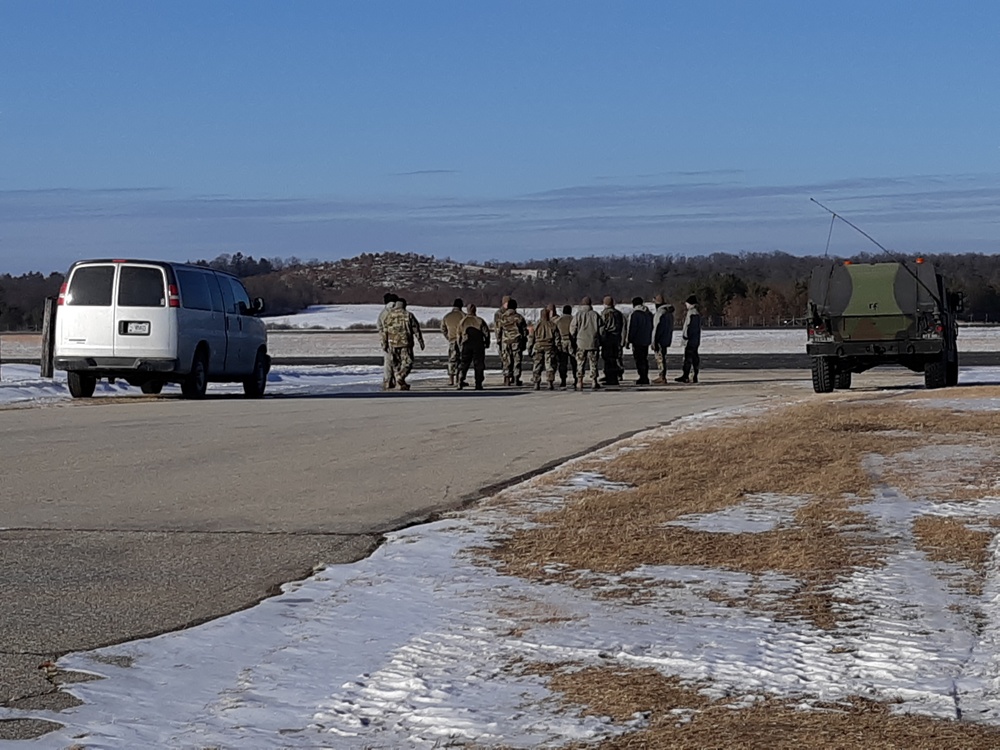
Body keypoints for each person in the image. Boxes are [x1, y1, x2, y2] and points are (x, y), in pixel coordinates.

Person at [380, 299, 421, 390]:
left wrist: (384, 343)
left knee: (396, 364)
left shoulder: (389, 316)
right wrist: (420, 340)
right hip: (405, 343)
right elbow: (416, 328)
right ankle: (400, 376)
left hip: (392, 343)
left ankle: (400, 382)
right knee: (407, 363)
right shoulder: (408, 315)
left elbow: (384, 331)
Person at [570, 296, 605, 390]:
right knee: (593, 363)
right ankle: (594, 381)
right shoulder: (595, 315)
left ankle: (579, 381)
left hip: (581, 342)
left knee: (580, 363)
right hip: (593, 342)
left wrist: (574, 337)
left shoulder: (578, 315)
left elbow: (573, 328)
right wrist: (601, 339)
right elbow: (601, 329)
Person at [456, 303, 490, 389]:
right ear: (475, 310)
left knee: (464, 363)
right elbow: (486, 333)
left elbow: (458, 334)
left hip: (466, 344)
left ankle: (460, 379)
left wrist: (460, 344)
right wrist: (487, 343)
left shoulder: (462, 321)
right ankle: (478, 383)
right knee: (478, 364)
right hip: (478, 345)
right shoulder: (480, 320)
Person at [527, 307, 561, 390]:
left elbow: (531, 338)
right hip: (549, 347)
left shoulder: (536, 325)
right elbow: (557, 338)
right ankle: (550, 382)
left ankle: (536, 383)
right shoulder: (552, 325)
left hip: (538, 347)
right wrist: (558, 348)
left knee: (537, 365)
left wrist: (529, 348)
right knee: (549, 365)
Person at [497, 299, 528, 385]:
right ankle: (516, 378)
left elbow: (498, 330)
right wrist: (524, 340)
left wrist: (499, 340)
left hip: (505, 341)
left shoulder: (502, 317)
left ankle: (507, 378)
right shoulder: (519, 317)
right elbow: (524, 331)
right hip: (516, 341)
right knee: (516, 360)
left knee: (506, 360)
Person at [625, 296, 654, 385]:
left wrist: (628, 340)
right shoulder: (649, 314)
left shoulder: (635, 314)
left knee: (639, 359)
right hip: (646, 340)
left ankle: (642, 376)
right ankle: (645, 375)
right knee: (644, 359)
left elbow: (632, 328)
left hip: (637, 340)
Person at [599, 296, 626, 386]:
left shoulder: (605, 314)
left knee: (608, 359)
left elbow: (602, 327)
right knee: (615, 358)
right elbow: (623, 326)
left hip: (608, 338)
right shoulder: (618, 314)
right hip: (616, 338)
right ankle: (613, 375)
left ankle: (611, 377)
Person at [675, 295, 702, 383]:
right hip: (695, 339)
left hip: (690, 340)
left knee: (688, 358)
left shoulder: (692, 313)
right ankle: (693, 375)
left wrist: (685, 336)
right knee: (694, 357)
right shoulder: (696, 313)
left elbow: (688, 326)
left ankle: (686, 375)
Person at [440, 298, 465, 386]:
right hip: (462, 341)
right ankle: (459, 379)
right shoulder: (464, 316)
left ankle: (451, 379)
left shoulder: (447, 316)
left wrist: (448, 337)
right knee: (461, 360)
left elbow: (443, 328)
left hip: (452, 340)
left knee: (452, 359)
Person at [377, 292, 399, 390]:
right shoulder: (400, 311)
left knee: (388, 362)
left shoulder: (383, 313)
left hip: (386, 339)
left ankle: (387, 380)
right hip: (400, 340)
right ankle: (399, 380)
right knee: (399, 361)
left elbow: (379, 327)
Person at [652, 294, 675, 384]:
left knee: (660, 358)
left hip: (659, 339)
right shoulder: (669, 314)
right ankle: (662, 375)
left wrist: (654, 341)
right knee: (663, 357)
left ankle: (662, 376)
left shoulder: (660, 313)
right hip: (666, 338)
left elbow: (656, 328)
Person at [554, 304, 577, 389]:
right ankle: (576, 379)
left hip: (562, 341)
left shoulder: (558, 320)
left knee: (563, 363)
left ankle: (563, 380)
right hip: (572, 342)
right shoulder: (573, 319)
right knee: (574, 362)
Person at [493, 295, 511, 380]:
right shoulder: (499, 313)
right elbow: (497, 327)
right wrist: (498, 338)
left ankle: (512, 376)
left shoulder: (512, 312)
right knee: (505, 358)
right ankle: (506, 376)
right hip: (503, 339)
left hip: (512, 339)